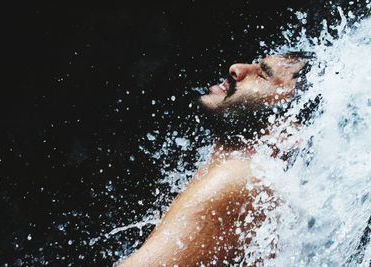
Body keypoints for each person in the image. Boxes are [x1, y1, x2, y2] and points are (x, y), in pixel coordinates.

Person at [118, 52, 314, 266]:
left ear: (285, 128)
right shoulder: (239, 174)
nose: (237, 68)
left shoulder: (237, 178)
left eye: (262, 75)